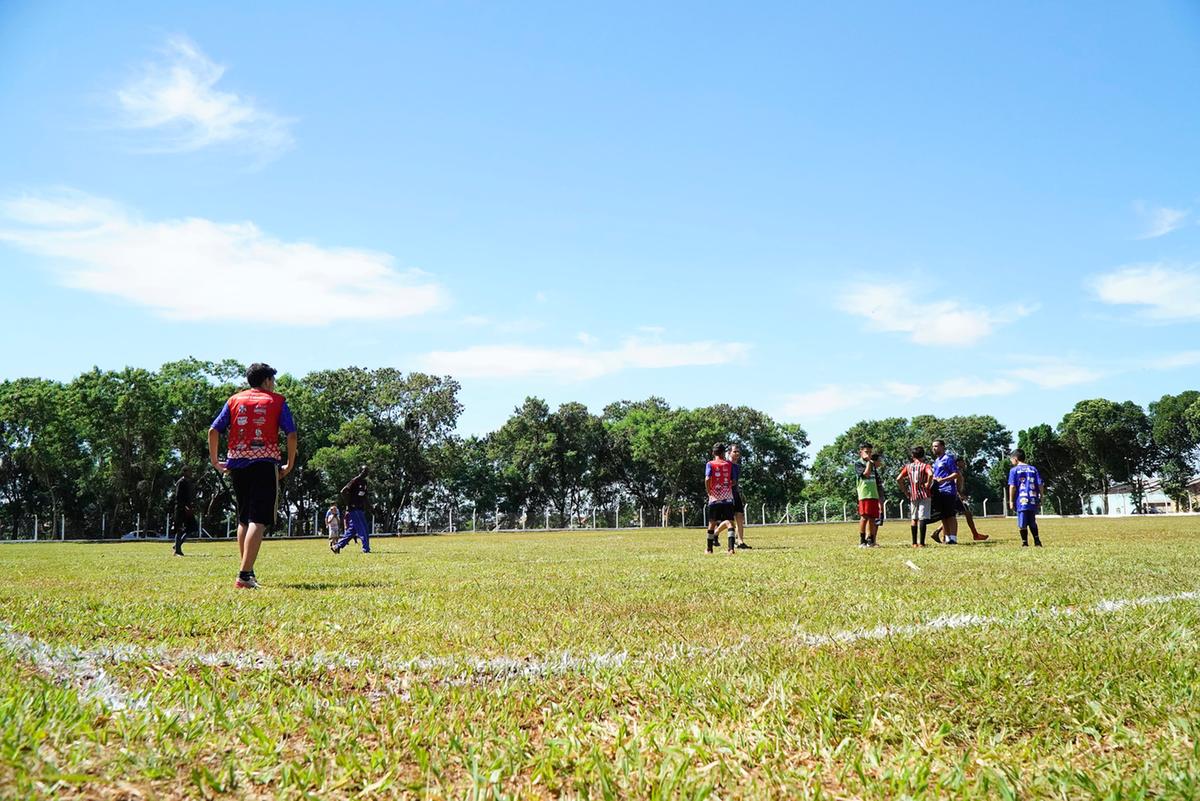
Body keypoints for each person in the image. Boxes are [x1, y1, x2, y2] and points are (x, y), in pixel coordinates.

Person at [208, 363, 297, 589]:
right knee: (259, 519)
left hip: (236, 464)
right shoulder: (277, 401)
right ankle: (245, 574)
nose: (273, 385)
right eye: (272, 381)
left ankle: (247, 570)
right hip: (265, 463)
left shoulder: (234, 400)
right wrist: (289, 463)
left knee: (243, 518)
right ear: (267, 381)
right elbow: (291, 434)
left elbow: (213, 430)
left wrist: (215, 460)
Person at [929, 455, 990, 542]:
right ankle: (975, 535)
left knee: (949, 515)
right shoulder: (955, 471)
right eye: (963, 462)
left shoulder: (957, 471)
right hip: (955, 496)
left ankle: (941, 534)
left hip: (954, 495)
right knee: (956, 515)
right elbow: (955, 484)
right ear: (957, 463)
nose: (964, 463)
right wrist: (960, 494)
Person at [704, 443, 738, 555]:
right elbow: (734, 481)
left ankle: (709, 549)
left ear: (713, 453)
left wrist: (709, 490)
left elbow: (708, 478)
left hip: (714, 498)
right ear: (724, 453)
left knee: (712, 523)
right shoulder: (729, 464)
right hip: (727, 498)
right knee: (730, 523)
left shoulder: (710, 464)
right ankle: (731, 549)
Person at [1008, 449, 1044, 547]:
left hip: (1021, 500)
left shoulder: (1014, 470)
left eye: (1011, 460)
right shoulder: (1033, 469)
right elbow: (1040, 483)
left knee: (1022, 522)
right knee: (1032, 521)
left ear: (1015, 459)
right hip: (1033, 498)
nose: (1011, 462)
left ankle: (1025, 542)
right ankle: (1037, 541)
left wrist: (1011, 500)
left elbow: (1012, 486)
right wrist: (1041, 496)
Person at [897, 446, 932, 547]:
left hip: (913, 494)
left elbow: (899, 478)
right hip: (925, 494)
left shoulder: (908, 467)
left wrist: (905, 491)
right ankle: (921, 543)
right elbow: (930, 474)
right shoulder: (925, 466)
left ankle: (914, 543)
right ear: (923, 455)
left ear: (912, 456)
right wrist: (927, 484)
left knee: (914, 518)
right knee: (923, 518)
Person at [333, 465, 371, 554]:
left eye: (367, 471)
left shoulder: (365, 482)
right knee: (363, 529)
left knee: (352, 531)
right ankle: (366, 549)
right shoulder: (355, 481)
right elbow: (343, 491)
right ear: (360, 471)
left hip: (360, 509)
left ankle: (337, 546)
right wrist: (348, 504)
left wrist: (370, 508)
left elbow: (365, 496)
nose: (366, 473)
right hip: (354, 509)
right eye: (364, 471)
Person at [929, 439, 960, 544]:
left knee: (951, 515)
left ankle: (953, 538)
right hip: (939, 491)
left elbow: (956, 474)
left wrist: (944, 480)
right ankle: (947, 538)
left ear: (943, 447)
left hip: (948, 490)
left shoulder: (948, 459)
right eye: (933, 446)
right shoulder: (936, 461)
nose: (934, 448)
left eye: (936, 446)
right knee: (943, 515)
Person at [854, 443, 880, 547]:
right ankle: (862, 540)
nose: (869, 454)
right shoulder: (858, 463)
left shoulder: (872, 464)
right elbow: (866, 474)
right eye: (866, 452)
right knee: (864, 517)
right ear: (861, 452)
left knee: (873, 518)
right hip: (864, 494)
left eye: (870, 452)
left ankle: (871, 540)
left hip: (873, 494)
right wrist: (869, 462)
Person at [172, 466, 197, 556]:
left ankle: (177, 545)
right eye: (189, 471)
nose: (191, 473)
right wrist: (185, 507)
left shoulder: (189, 482)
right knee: (179, 529)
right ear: (184, 472)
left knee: (192, 527)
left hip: (188, 509)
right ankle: (177, 551)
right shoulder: (181, 482)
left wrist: (191, 506)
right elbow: (178, 497)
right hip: (181, 509)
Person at [729, 444, 750, 549]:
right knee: (729, 520)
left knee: (740, 516)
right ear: (729, 453)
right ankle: (715, 533)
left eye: (738, 452)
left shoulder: (737, 467)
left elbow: (735, 482)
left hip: (735, 493)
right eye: (734, 451)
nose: (737, 454)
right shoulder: (726, 465)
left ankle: (740, 542)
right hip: (727, 494)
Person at [872, 453, 886, 530]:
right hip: (876, 498)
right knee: (876, 519)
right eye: (879, 461)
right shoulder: (872, 472)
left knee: (878, 519)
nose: (880, 462)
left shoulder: (875, 472)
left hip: (879, 498)